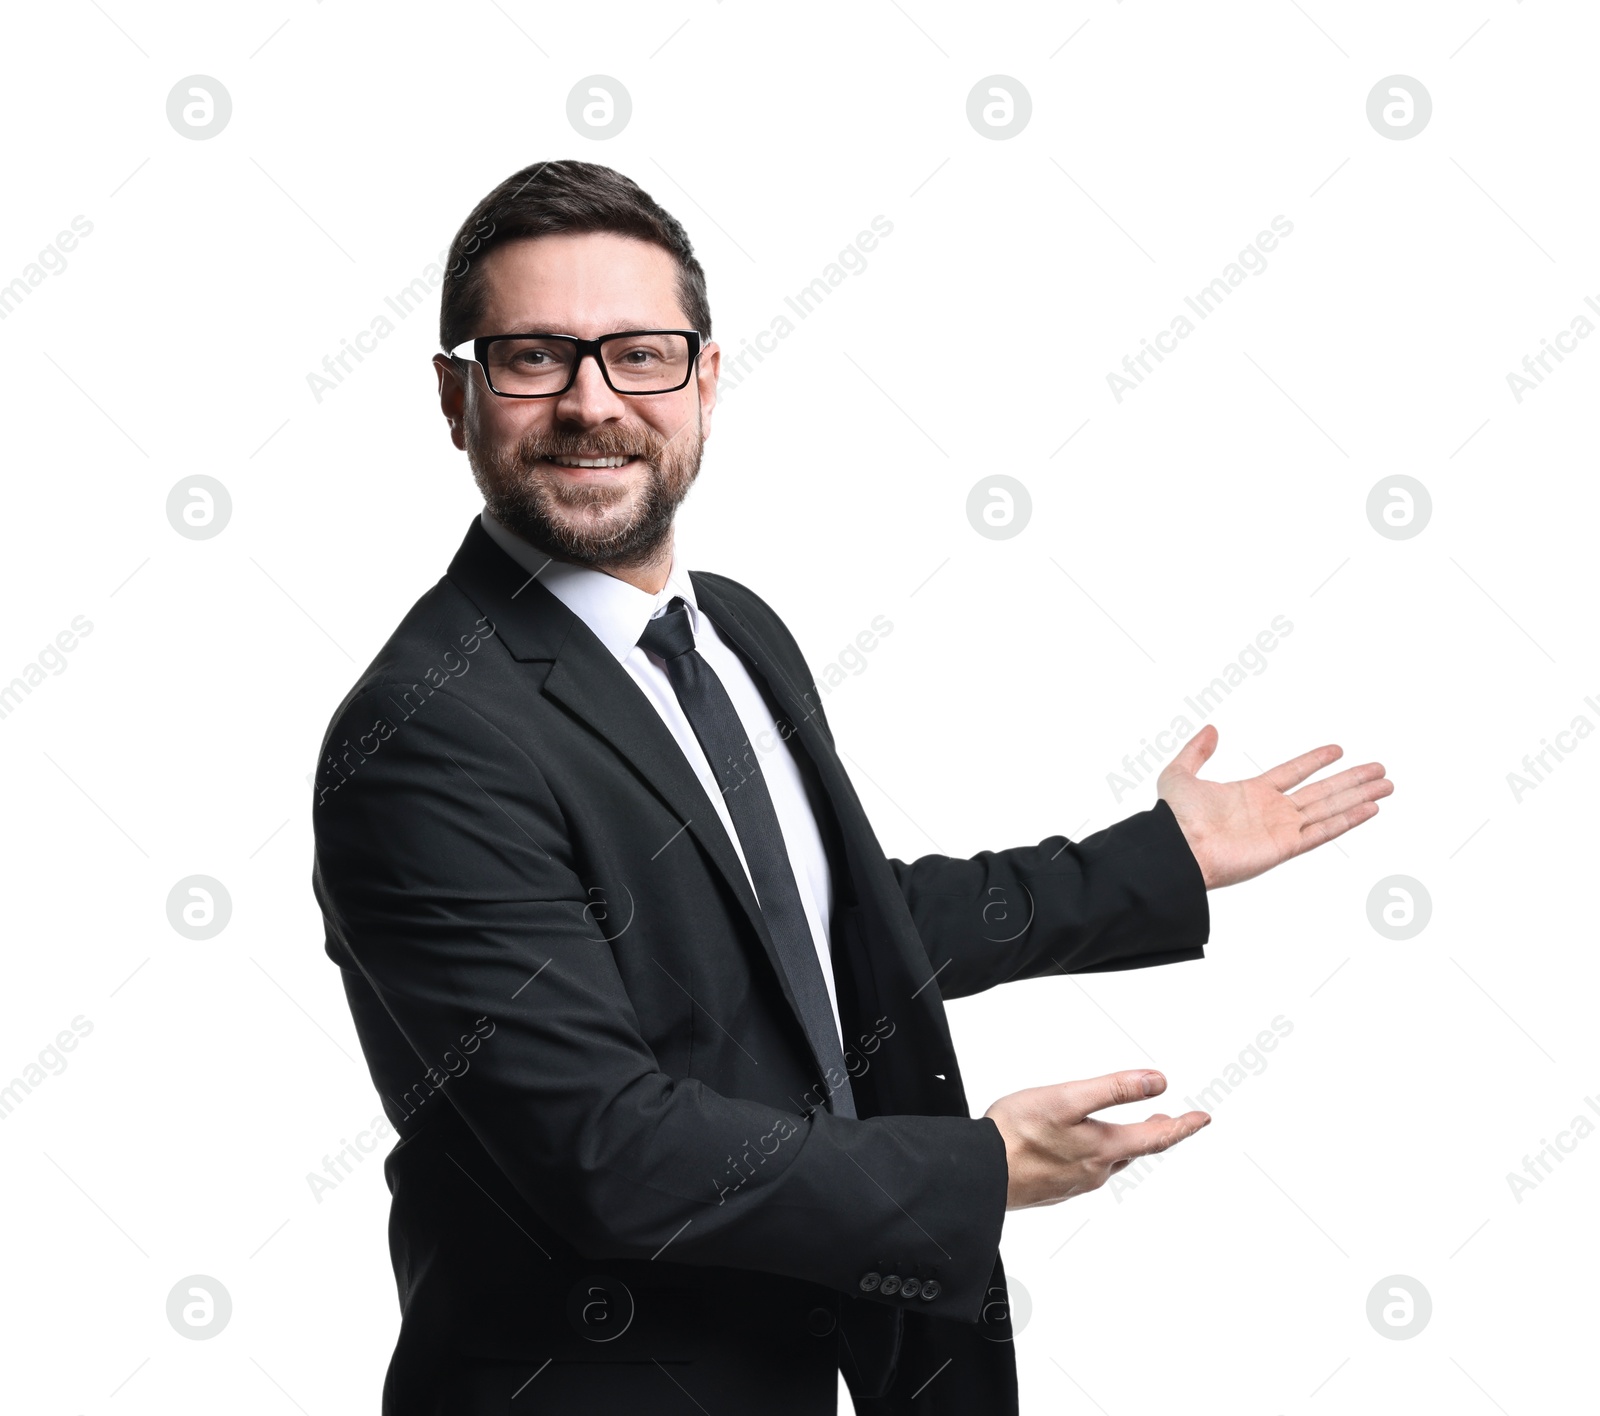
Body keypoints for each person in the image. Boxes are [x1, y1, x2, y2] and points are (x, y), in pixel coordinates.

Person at [310, 159, 1392, 1415]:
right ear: (456, 397)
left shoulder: (735, 637)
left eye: (642, 354)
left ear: (706, 382)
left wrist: (1158, 860)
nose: (592, 402)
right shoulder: (422, 737)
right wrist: (978, 1171)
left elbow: (813, 926)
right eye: (535, 357)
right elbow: (602, 1147)